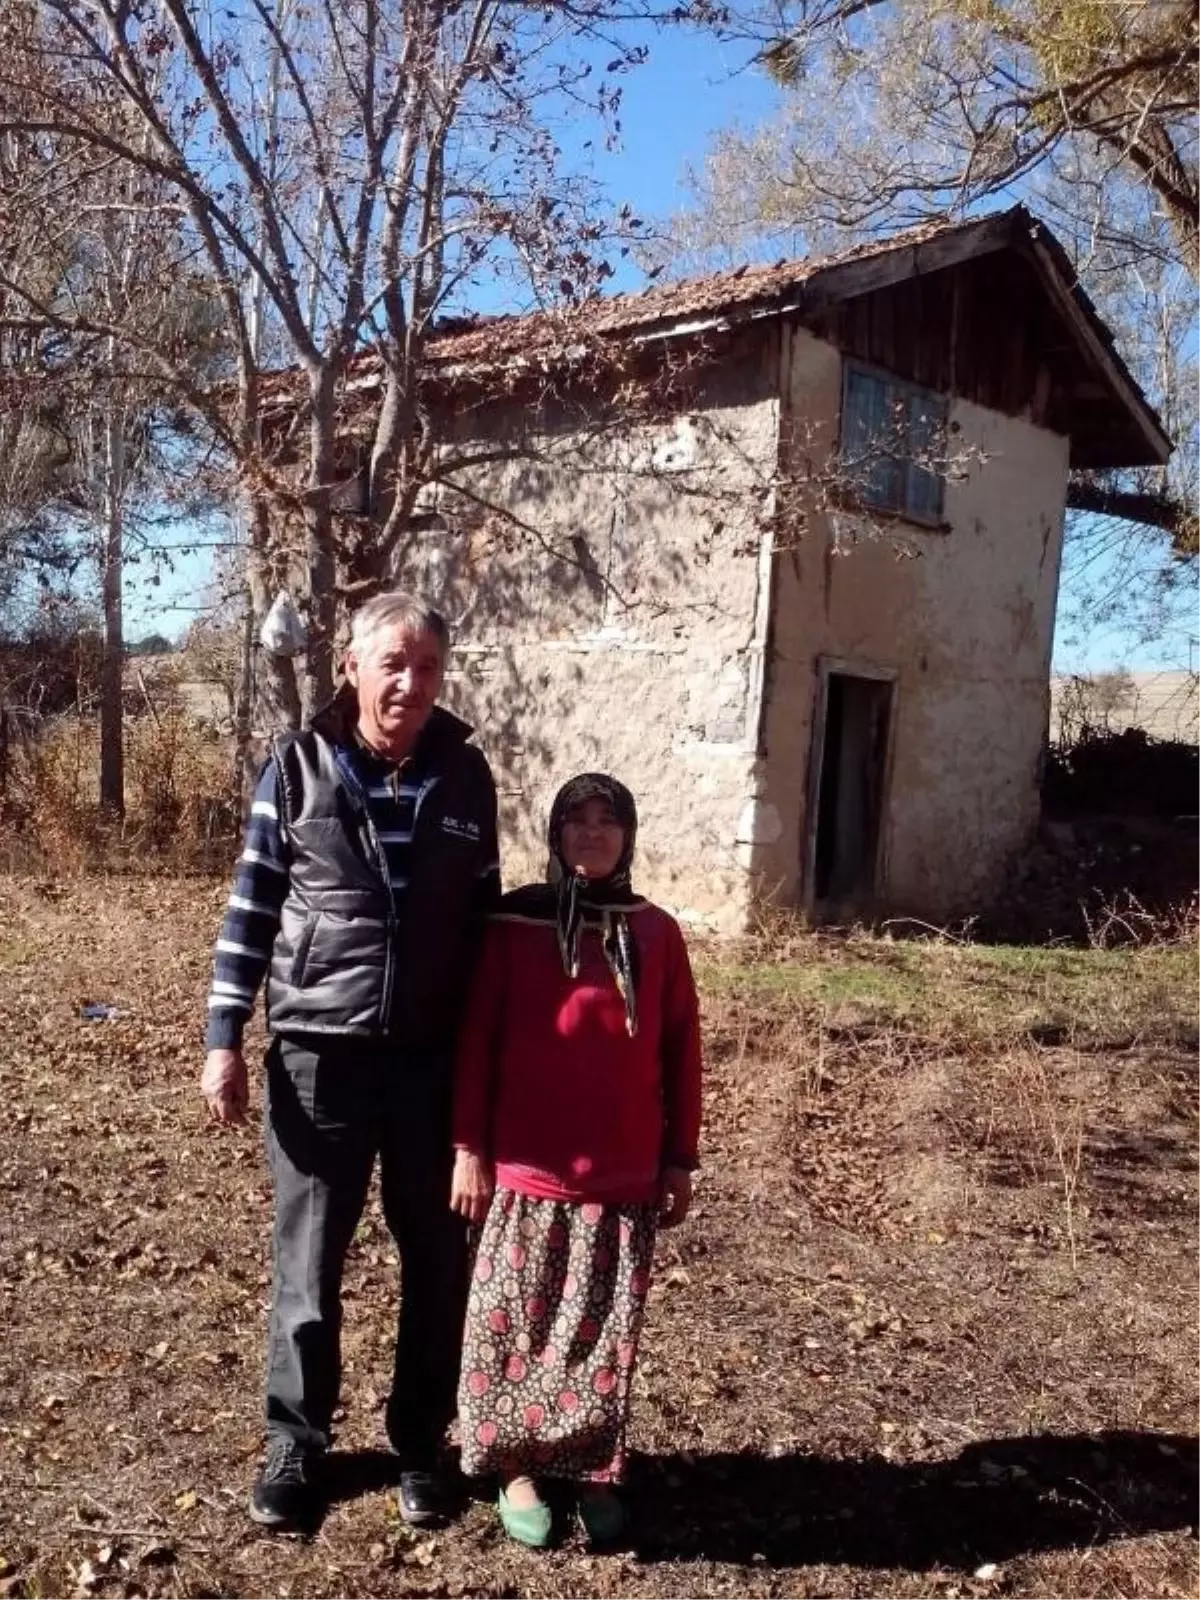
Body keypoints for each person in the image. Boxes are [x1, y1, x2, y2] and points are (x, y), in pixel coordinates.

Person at [200, 592, 500, 1534]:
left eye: (426, 668)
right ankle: (297, 1442)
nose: (410, 683)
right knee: (308, 1262)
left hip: (429, 1064)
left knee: (436, 1262)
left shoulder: (465, 775)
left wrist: (496, 1076)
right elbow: (251, 908)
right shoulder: (296, 765)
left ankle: (421, 1442)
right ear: (353, 668)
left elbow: (486, 931)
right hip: (316, 1059)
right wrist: (224, 1038)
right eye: (392, 664)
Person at [449, 773, 702, 1548]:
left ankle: (591, 1464)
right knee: (512, 1326)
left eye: (607, 821)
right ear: (555, 834)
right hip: (527, 1169)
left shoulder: (654, 933)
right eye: (576, 821)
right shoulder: (514, 926)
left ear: (628, 834)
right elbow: (477, 1043)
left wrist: (679, 1158)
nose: (592, 834)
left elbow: (681, 1049)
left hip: (619, 1175)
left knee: (599, 1333)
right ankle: (513, 1467)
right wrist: (467, 1148)